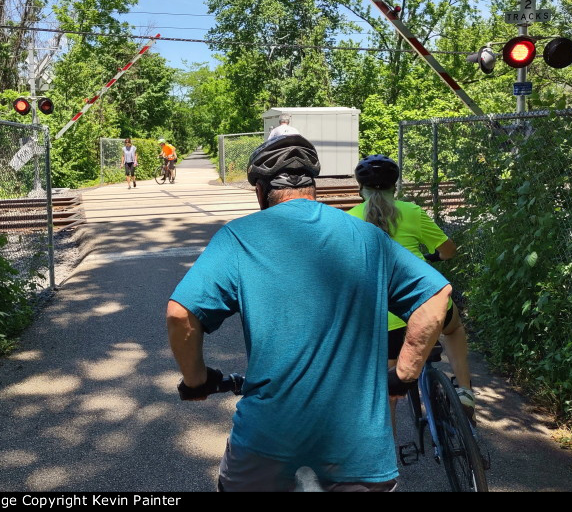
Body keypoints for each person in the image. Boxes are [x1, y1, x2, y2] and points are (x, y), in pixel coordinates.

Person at [166, 134, 452, 492]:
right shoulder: (368, 237)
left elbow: (181, 314)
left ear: (260, 191)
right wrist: (404, 375)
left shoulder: (238, 237)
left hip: (267, 448)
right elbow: (436, 295)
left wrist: (197, 381)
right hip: (358, 453)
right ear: (314, 187)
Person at [347, 154, 475, 422]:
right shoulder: (413, 212)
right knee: (453, 329)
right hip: (427, 305)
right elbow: (448, 250)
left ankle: (389, 456)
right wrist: (435, 258)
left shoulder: (349, 221)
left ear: (360, 189)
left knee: (388, 396)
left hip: (385, 318)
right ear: (396, 187)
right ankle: (465, 390)